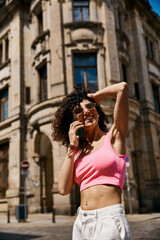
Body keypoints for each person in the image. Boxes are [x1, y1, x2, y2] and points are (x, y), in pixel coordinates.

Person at [52, 82, 131, 240]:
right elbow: (63, 189)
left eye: (89, 106)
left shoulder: (114, 137)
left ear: (97, 110)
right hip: (82, 221)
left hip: (109, 219)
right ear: (73, 120)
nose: (86, 111)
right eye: (79, 110)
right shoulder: (76, 152)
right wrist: (72, 146)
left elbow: (122, 87)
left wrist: (96, 96)